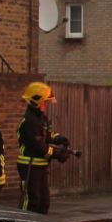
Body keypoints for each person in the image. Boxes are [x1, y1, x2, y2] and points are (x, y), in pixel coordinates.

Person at [17, 82, 70, 214]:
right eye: (44, 102)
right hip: (30, 166)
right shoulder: (29, 122)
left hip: (40, 167)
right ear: (36, 101)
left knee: (43, 202)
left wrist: (59, 138)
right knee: (31, 202)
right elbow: (40, 147)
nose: (45, 105)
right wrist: (58, 154)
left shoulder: (40, 118)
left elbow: (47, 134)